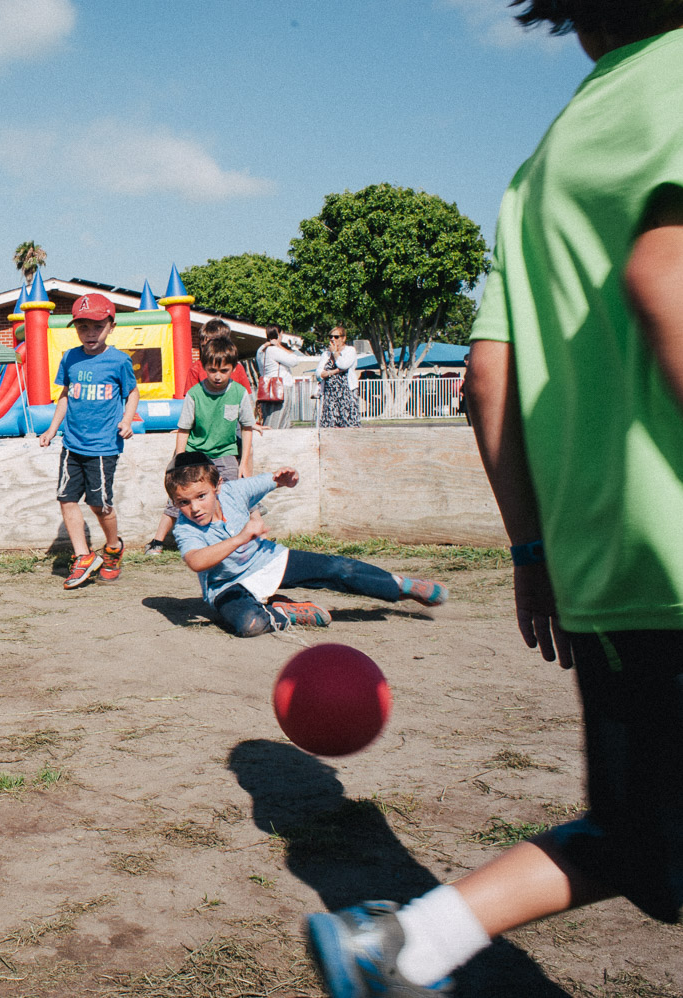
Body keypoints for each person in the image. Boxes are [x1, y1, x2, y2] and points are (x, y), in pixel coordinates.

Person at [305, 4, 683, 995]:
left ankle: (400, 944)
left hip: (606, 569)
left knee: (645, 835)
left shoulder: (543, 163)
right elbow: (667, 276)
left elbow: (486, 379)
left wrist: (533, 552)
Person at [164, 452, 447, 636]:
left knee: (337, 569)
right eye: (183, 503)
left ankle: (399, 586)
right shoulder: (186, 528)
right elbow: (196, 561)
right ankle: (284, 610)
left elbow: (276, 480)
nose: (195, 508)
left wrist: (288, 478)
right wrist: (241, 536)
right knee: (248, 625)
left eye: (201, 496)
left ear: (218, 486)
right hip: (228, 586)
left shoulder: (235, 491)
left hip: (268, 560)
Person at [37, 292, 139, 589]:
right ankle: (83, 555)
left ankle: (113, 547)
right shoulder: (70, 358)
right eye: (83, 327)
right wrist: (52, 429)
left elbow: (132, 393)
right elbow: (66, 396)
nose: (90, 333)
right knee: (66, 499)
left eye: (97, 326)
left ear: (111, 326)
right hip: (72, 444)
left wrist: (127, 420)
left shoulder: (119, 361)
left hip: (103, 448)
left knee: (100, 505)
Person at [143, 335, 256, 555]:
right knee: (180, 496)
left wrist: (243, 463)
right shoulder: (194, 394)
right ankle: (158, 541)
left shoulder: (239, 393)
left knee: (234, 496)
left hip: (225, 454)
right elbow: (184, 430)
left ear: (233, 368)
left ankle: (236, 539)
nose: (217, 376)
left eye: (224, 371)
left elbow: (247, 428)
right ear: (204, 367)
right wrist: (180, 461)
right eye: (212, 370)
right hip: (196, 453)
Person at [314, 325, 360, 428]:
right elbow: (318, 374)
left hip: (346, 392)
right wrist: (334, 371)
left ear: (343, 338)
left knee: (349, 422)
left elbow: (343, 364)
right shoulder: (326, 354)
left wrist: (335, 353)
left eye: (336, 337)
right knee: (330, 423)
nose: (332, 339)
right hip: (330, 394)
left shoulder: (350, 351)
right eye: (331, 336)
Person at [254, 325, 300, 429]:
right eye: (281, 335)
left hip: (266, 387)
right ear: (278, 335)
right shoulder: (274, 350)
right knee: (279, 420)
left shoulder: (261, 349)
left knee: (268, 417)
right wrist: (280, 346)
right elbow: (295, 361)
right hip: (279, 387)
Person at [189, 318, 252, 390]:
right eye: (203, 346)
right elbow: (191, 397)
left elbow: (245, 395)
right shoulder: (195, 369)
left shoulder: (237, 368)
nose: (206, 350)